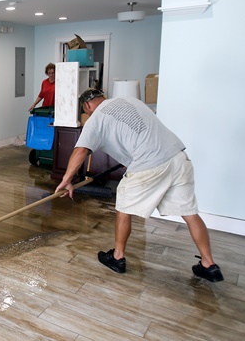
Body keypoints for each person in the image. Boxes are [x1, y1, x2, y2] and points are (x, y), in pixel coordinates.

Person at [55, 88, 224, 282]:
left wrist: (66, 179)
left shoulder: (96, 117)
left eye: (86, 112)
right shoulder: (129, 100)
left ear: (87, 106)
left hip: (149, 163)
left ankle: (117, 257)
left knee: (123, 208)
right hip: (177, 156)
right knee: (189, 213)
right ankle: (208, 264)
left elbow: (81, 150)